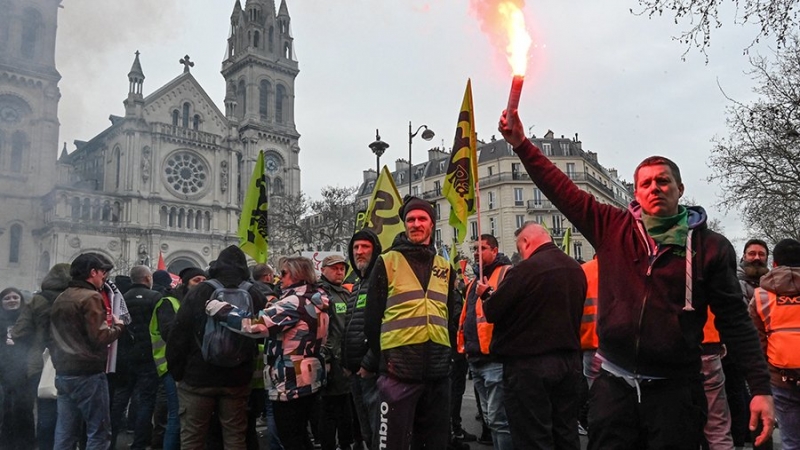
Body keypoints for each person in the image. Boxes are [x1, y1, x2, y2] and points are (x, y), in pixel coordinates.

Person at [498, 108, 774, 449]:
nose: (655, 187)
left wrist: (760, 388)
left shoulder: (711, 247)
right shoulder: (612, 228)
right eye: (646, 183)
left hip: (676, 391)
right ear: (637, 194)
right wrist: (522, 144)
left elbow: (735, 321)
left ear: (680, 188)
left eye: (663, 181)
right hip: (614, 388)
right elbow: (562, 190)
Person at [481, 222, 586, 449]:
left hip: (528, 367)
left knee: (533, 436)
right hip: (569, 363)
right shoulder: (576, 269)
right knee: (566, 431)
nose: (521, 255)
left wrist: (486, 294)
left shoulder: (525, 270)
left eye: (520, 249)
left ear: (526, 242)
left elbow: (493, 310)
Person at [364, 196, 455, 450]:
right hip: (398, 373)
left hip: (437, 375)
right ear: (404, 224)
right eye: (410, 219)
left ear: (432, 224)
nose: (415, 224)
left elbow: (450, 317)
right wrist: (386, 358)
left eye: (421, 219)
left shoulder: (445, 267)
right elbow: (372, 319)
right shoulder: (387, 261)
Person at [166, 246, 267, 450]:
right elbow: (264, 331)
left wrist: (178, 372)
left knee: (193, 438)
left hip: (198, 378)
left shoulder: (202, 291)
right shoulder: (254, 293)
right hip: (237, 378)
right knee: (235, 436)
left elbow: (179, 333)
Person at [49, 252, 126, 449]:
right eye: (102, 273)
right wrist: (118, 327)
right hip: (88, 373)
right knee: (98, 432)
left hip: (64, 371)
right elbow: (100, 337)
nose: (104, 279)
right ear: (93, 272)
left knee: (65, 432)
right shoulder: (91, 297)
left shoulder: (62, 296)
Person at [260, 256, 330, 450]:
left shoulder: (293, 301)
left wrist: (220, 309)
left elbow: (252, 326)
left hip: (289, 379)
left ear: (296, 274)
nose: (279, 277)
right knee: (300, 435)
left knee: (291, 436)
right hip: (310, 374)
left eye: (283, 273)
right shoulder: (316, 299)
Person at [456, 234, 513, 450]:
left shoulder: (506, 273)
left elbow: (508, 308)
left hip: (495, 358)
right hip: (476, 358)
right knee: (491, 418)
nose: (477, 252)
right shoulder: (473, 284)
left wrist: (488, 293)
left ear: (495, 251)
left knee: (500, 420)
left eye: (482, 248)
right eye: (475, 248)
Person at [9, 263, 71, 450]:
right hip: (73, 361)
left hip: (41, 363)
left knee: (46, 412)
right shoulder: (75, 298)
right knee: (70, 414)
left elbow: (19, 332)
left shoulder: (38, 300)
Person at [750, 238, 800, 449]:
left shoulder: (761, 296)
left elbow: (757, 342)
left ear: (775, 264)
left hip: (781, 378)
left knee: (790, 441)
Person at [150, 266, 206, 450]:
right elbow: (169, 333)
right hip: (170, 367)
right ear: (185, 283)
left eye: (203, 280)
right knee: (176, 416)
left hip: (188, 367)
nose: (201, 284)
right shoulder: (168, 302)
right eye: (196, 280)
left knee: (187, 417)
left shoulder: (198, 302)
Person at [111, 265, 162, 450]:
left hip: (124, 356)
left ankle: (109, 440)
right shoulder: (156, 297)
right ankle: (139, 444)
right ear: (148, 278)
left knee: (119, 399)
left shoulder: (121, 299)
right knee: (145, 400)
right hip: (147, 356)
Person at [342, 229, 382, 450]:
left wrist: (369, 363)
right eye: (356, 247)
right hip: (355, 371)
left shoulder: (379, 279)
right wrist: (347, 364)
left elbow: (383, 325)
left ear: (375, 249)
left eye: (365, 247)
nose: (359, 252)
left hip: (371, 372)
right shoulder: (357, 284)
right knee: (365, 429)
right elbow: (349, 325)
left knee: (378, 430)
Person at [732, 238, 773, 449]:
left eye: (761, 254)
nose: (756, 258)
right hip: (740, 352)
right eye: (752, 253)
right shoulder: (733, 283)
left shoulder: (774, 286)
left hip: (770, 353)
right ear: (744, 256)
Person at [318, 254, 354, 450]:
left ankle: (347, 443)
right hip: (330, 362)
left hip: (345, 361)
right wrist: (327, 357)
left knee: (345, 407)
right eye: (335, 268)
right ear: (323, 270)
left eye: (342, 268)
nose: (340, 272)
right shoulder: (320, 293)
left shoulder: (345, 294)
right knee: (329, 409)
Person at [0, 287, 36, 449]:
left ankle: (26, 444)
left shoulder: (28, 318)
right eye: (7, 298)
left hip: (25, 369)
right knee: (6, 409)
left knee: (25, 408)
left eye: (15, 297)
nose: (12, 300)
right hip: (4, 370)